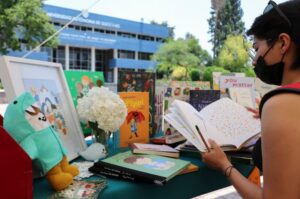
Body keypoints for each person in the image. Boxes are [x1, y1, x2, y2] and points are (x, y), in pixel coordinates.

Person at [201, 1, 300, 198]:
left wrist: (225, 166)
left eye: (257, 47)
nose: (255, 60)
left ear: (283, 43)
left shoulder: (282, 102)